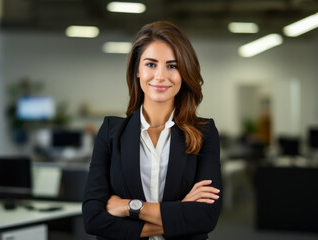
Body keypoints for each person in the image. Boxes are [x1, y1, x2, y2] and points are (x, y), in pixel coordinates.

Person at [82, 21, 222, 240]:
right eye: (151, 64)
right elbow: (93, 219)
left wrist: (129, 207)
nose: (161, 76)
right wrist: (180, 211)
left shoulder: (204, 133)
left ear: (184, 73)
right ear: (137, 70)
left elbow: (206, 217)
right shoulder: (111, 132)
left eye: (172, 66)